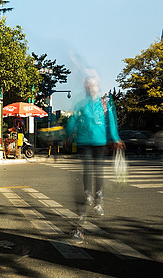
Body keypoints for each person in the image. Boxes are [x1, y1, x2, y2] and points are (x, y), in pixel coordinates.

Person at [66, 76, 124, 244]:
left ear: (97, 87)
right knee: (87, 170)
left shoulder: (104, 103)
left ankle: (99, 197)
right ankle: (87, 194)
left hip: (100, 142)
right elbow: (73, 120)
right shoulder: (81, 104)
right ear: (86, 87)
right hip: (84, 142)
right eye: (89, 85)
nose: (91, 87)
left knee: (98, 170)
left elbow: (112, 121)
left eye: (94, 85)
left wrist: (115, 137)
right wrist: (68, 135)